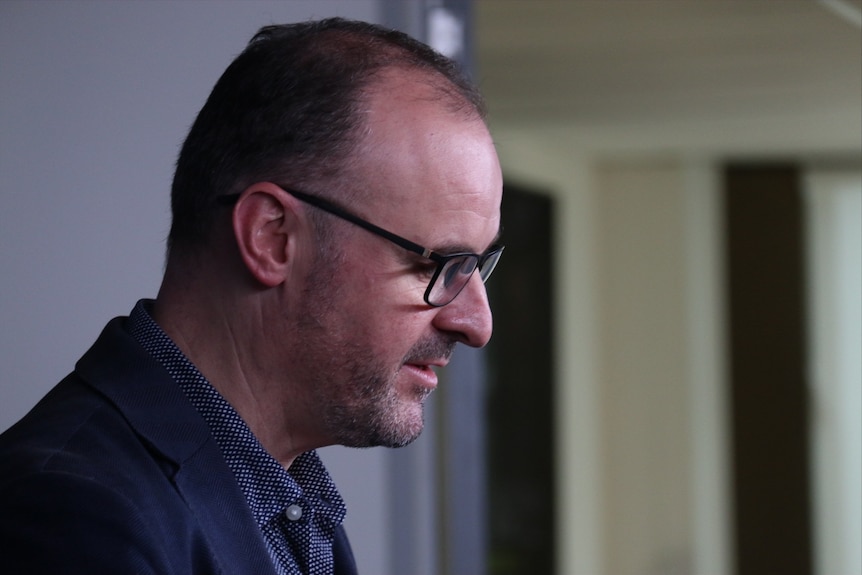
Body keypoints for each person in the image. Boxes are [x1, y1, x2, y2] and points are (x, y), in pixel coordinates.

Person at [0, 18, 503, 575]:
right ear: (272, 238)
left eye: (479, 266)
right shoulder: (73, 519)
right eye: (439, 264)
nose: (476, 323)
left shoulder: (289, 503)